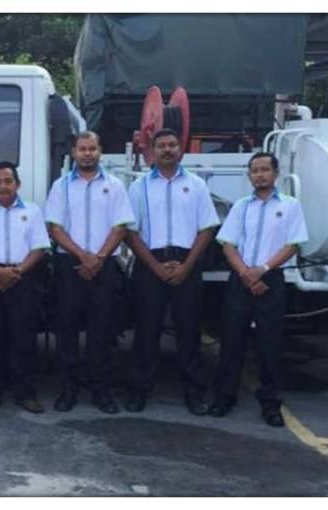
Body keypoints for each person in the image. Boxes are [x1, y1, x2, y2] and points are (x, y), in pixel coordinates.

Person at [124, 129, 220, 416]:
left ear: (181, 149)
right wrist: (155, 267)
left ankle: (194, 393)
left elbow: (207, 229)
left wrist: (187, 265)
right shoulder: (139, 187)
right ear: (152, 151)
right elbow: (130, 232)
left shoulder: (197, 185)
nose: (167, 150)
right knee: (146, 331)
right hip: (149, 263)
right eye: (162, 145)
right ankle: (139, 391)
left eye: (172, 145)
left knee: (189, 331)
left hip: (187, 263)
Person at [211, 152, 309, 427]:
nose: (260, 175)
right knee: (232, 341)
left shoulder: (290, 206)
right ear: (249, 175)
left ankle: (271, 404)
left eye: (265, 169)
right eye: (255, 171)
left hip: (271, 280)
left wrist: (263, 270)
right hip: (241, 279)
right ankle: (224, 397)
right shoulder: (241, 207)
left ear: (275, 173)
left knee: (270, 344)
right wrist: (246, 274)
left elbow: (293, 244)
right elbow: (227, 243)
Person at [44, 131, 135, 414]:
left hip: (103, 266)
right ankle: (68, 390)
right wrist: (82, 255)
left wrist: (99, 257)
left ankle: (101, 392)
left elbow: (120, 226)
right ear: (73, 152)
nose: (87, 153)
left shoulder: (114, 185)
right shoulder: (61, 186)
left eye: (92, 148)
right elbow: (54, 227)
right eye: (82, 149)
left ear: (100, 152)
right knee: (67, 329)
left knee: (102, 330)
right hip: (69, 265)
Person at [0, 161, 51, 414]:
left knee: (23, 337)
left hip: (23, 277)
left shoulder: (32, 211)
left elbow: (40, 248)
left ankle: (25, 393)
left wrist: (17, 272)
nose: (3, 186)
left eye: (8, 181)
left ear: (18, 184)